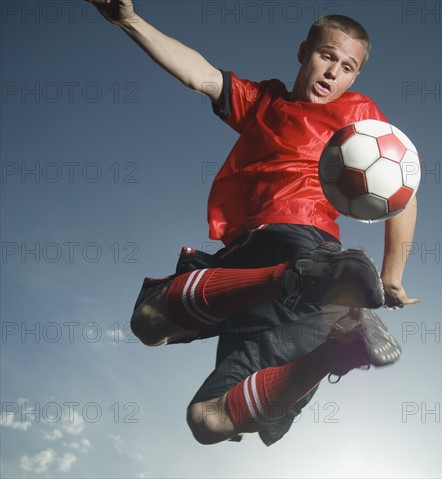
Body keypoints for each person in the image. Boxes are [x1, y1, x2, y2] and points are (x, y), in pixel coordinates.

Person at [88, 0, 419, 446]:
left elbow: (401, 187)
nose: (332, 73)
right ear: (303, 52)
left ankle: (307, 285)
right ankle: (338, 347)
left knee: (152, 323)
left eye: (347, 66)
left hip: (300, 239)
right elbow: (201, 75)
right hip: (285, 273)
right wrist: (129, 20)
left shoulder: (357, 113)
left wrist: (392, 275)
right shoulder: (265, 102)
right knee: (200, 410)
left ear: (355, 77)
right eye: (326, 56)